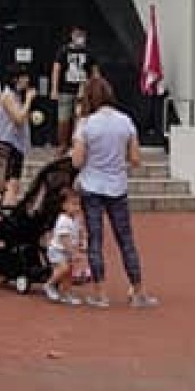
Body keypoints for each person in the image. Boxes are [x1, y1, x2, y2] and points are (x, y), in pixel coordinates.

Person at [72, 77, 158, 309]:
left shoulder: (86, 124)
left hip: (92, 185)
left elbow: (77, 160)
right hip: (117, 186)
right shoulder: (125, 122)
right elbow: (136, 159)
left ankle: (101, 293)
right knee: (126, 240)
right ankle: (138, 289)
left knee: (95, 240)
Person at [0, 65, 34, 207]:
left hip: (17, 144)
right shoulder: (8, 95)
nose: (27, 81)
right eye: (24, 77)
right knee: (11, 182)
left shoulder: (17, 96)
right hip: (8, 143)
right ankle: (8, 208)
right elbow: (18, 119)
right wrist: (29, 100)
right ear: (15, 79)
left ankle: (7, 205)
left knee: (14, 180)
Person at [51, 26, 100, 156]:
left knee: (81, 119)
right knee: (63, 119)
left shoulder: (89, 52)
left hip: (83, 90)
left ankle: (78, 145)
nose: (80, 38)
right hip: (65, 90)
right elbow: (56, 69)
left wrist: (96, 89)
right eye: (78, 34)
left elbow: (95, 72)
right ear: (72, 35)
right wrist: (54, 89)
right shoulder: (63, 51)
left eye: (82, 35)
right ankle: (62, 144)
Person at [43, 188, 86, 306]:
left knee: (68, 275)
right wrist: (74, 253)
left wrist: (82, 242)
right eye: (73, 204)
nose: (77, 207)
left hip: (68, 251)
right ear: (64, 206)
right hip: (57, 250)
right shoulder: (63, 220)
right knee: (64, 268)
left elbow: (80, 231)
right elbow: (64, 240)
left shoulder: (76, 218)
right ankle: (49, 285)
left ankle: (66, 294)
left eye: (78, 204)